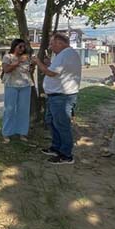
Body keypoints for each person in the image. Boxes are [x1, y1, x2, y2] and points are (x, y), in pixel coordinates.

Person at [32, 33, 82, 165]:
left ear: (60, 43)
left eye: (52, 43)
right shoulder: (64, 55)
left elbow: (51, 73)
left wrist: (38, 62)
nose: (50, 46)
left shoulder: (66, 54)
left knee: (61, 124)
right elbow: (56, 70)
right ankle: (56, 147)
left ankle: (66, 154)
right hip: (56, 95)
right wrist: (49, 63)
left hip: (62, 96)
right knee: (52, 122)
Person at [1, 39, 33, 143]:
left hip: (25, 85)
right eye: (20, 46)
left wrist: (32, 66)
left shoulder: (27, 57)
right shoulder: (8, 56)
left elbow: (29, 70)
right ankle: (6, 133)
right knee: (9, 109)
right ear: (14, 46)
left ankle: (22, 132)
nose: (22, 49)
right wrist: (18, 61)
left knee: (24, 110)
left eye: (24, 47)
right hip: (11, 85)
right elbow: (6, 70)